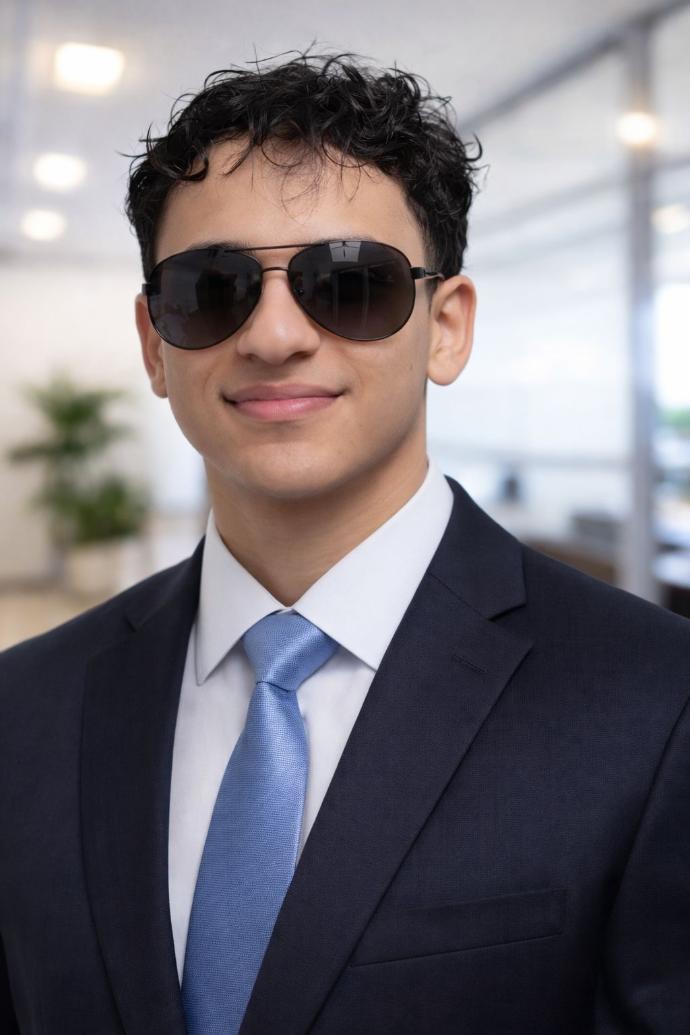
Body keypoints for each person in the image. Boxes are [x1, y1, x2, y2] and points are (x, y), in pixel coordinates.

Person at [1, 50, 689, 1035]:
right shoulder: (26, 706)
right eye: (213, 287)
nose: (274, 336)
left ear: (446, 327)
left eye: (350, 282)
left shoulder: (656, 701)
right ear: (156, 343)